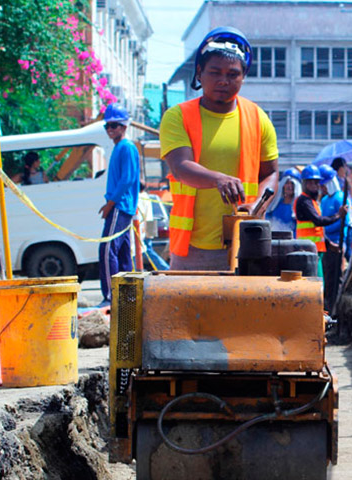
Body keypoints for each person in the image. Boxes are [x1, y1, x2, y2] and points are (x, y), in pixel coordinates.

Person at [160, 26, 279, 271]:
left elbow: (270, 173)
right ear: (200, 73)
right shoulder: (178, 117)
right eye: (215, 72)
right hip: (192, 250)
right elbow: (181, 167)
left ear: (243, 76)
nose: (223, 80)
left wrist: (258, 206)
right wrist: (219, 179)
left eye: (233, 74)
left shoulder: (258, 118)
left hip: (245, 244)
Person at [98, 103, 140, 306]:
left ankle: (111, 296)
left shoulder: (126, 147)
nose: (110, 129)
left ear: (123, 126)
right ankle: (127, 296)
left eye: (114, 125)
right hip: (121, 205)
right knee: (123, 252)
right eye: (107, 126)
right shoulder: (119, 148)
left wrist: (110, 204)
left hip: (120, 206)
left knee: (107, 250)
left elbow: (127, 180)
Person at [295, 165, 346, 312]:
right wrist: (338, 215)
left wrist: (330, 244)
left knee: (319, 285)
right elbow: (318, 221)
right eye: (310, 182)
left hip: (316, 250)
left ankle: (319, 315)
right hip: (308, 252)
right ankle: (314, 316)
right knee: (315, 286)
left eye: (316, 182)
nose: (314, 185)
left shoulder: (312, 202)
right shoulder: (303, 201)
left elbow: (318, 230)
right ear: (304, 183)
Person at [265, 168, 301, 236]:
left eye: (292, 184)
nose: (289, 186)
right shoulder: (274, 205)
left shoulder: (299, 208)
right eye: (287, 183)